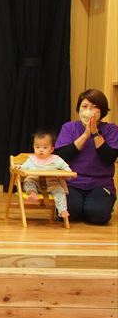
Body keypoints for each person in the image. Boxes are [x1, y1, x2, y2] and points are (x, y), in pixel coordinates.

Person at [55, 89, 117, 225]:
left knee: (97, 216)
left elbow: (109, 158)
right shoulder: (69, 127)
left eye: (94, 107)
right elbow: (63, 156)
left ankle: (93, 206)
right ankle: (82, 207)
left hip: (101, 184)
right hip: (72, 182)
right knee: (68, 212)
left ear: (102, 111)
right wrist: (85, 134)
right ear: (78, 109)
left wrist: (95, 133)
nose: (89, 111)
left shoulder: (111, 129)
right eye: (84, 106)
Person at [19, 130, 72, 220]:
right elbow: (24, 167)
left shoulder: (56, 160)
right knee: (28, 183)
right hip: (35, 181)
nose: (41, 150)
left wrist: (68, 172)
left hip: (51, 184)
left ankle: (62, 210)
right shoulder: (31, 160)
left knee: (60, 191)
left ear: (52, 149)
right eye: (37, 147)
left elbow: (65, 167)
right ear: (33, 147)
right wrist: (19, 167)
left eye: (45, 147)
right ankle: (33, 195)